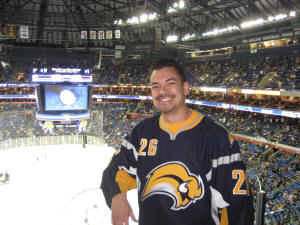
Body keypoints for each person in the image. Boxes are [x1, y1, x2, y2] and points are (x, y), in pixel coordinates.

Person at [101, 58, 254, 225]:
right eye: (155, 86)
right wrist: (116, 195)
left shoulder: (216, 137)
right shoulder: (141, 133)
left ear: (185, 88)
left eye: (170, 83)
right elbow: (115, 168)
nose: (162, 91)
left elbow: (237, 204)